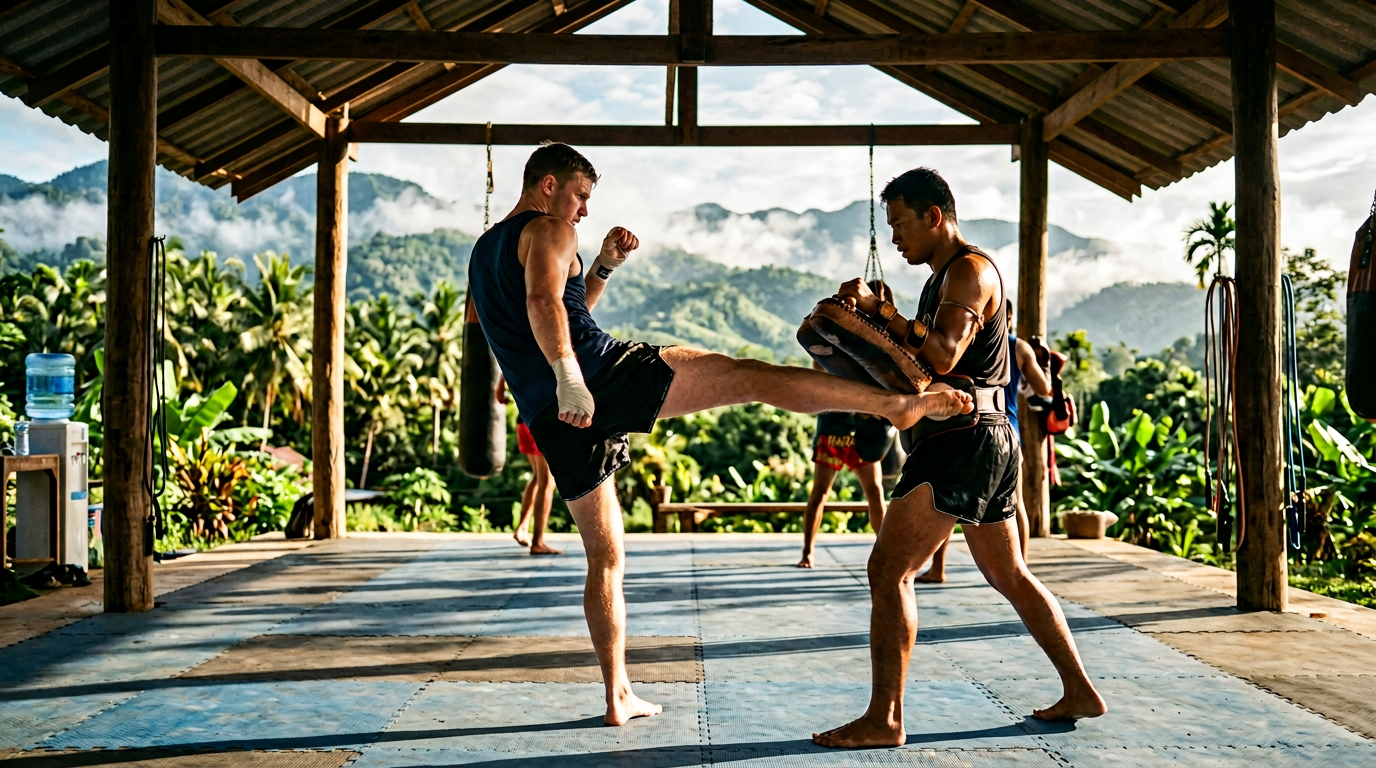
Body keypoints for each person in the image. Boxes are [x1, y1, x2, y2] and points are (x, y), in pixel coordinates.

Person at [467, 144, 973, 726]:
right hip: (594, 379)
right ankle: (897, 406)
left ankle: (617, 695)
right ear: (550, 184)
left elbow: (563, 307)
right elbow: (543, 303)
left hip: (552, 417)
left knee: (606, 558)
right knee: (749, 376)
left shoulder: (484, 251)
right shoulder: (551, 227)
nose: (583, 211)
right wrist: (571, 379)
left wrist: (602, 267)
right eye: (581, 196)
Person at [812, 168, 1106, 750]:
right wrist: (875, 318)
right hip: (989, 439)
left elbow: (942, 357)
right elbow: (920, 357)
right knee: (1009, 573)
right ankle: (1079, 689)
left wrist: (884, 317)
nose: (894, 237)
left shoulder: (970, 272)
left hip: (964, 439)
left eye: (900, 223)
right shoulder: (945, 278)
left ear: (935, 216)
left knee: (888, 570)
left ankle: (885, 719)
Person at [917, 298, 1052, 583]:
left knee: (948, 501)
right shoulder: (1019, 347)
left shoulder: (971, 344)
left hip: (969, 431)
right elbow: (1044, 390)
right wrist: (1046, 364)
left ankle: (938, 568)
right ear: (1009, 318)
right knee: (1017, 506)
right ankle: (1021, 569)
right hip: (1008, 433)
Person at [798, 408, 893, 569]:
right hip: (831, 434)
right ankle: (807, 552)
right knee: (820, 494)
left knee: (875, 492)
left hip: (862, 435)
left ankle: (886, 552)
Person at [495, 374, 563, 556]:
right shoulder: (551, 347)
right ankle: (538, 542)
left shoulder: (526, 347)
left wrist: (500, 386)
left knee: (538, 478)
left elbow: (500, 389)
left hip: (525, 419)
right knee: (547, 482)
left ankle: (522, 528)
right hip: (542, 419)